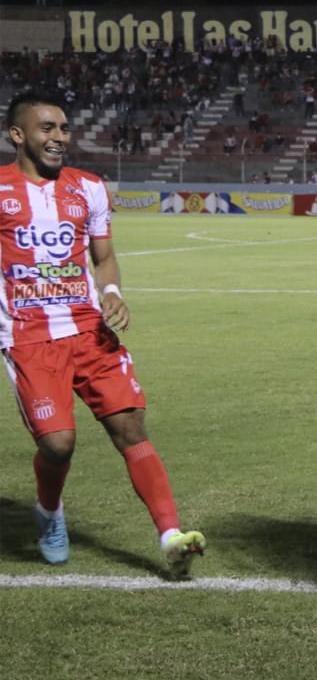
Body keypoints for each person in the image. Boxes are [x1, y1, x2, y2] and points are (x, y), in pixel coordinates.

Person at [1, 91, 206, 577]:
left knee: (130, 427)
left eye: (64, 128)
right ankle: (50, 513)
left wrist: (110, 289)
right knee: (57, 445)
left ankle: (170, 535)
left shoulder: (89, 187)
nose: (59, 138)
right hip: (30, 337)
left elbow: (104, 254)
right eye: (47, 128)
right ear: (17, 135)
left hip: (90, 331)